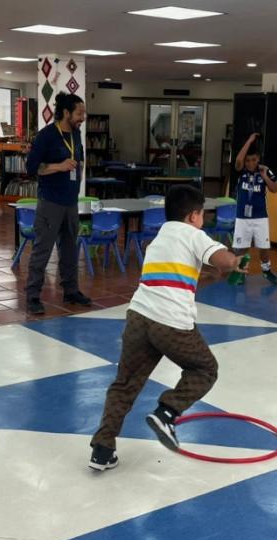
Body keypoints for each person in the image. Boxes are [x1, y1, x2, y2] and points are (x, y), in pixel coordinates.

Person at [88, 185, 246, 471]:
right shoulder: (194, 234)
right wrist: (235, 261)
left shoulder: (161, 236)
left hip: (138, 316)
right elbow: (221, 258)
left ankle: (102, 448)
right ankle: (167, 411)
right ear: (193, 215)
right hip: (171, 322)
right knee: (205, 369)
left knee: (125, 384)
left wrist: (211, 268)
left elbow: (184, 266)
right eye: (202, 215)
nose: (203, 221)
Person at [24, 92, 91, 315]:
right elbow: (32, 168)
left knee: (70, 249)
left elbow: (78, 161)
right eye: (79, 113)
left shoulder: (76, 135)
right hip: (50, 202)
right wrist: (58, 166)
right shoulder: (46, 136)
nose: (82, 117)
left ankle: (71, 290)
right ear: (65, 113)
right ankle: (33, 295)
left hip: (71, 202)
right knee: (42, 250)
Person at [231, 133, 277, 285]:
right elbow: (238, 161)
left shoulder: (265, 170)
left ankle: (266, 271)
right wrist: (250, 140)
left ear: (258, 158)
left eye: (253, 160)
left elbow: (275, 188)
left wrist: (265, 176)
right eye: (248, 160)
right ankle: (240, 272)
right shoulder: (241, 171)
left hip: (260, 216)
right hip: (242, 217)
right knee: (241, 247)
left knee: (264, 247)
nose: (250, 163)